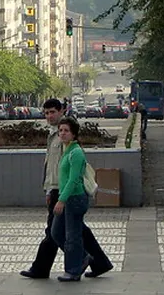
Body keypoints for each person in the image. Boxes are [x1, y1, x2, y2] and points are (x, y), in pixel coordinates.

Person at [21, 99, 113, 280]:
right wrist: (48, 188)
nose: (49, 116)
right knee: (74, 230)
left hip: (63, 191)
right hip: (56, 188)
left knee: (57, 231)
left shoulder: (66, 139)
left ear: (62, 111)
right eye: (46, 113)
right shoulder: (54, 135)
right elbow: (50, 165)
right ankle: (99, 262)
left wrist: (58, 194)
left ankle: (45, 267)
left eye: (53, 112)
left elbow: (67, 171)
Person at [51, 116, 92, 282]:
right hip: (67, 197)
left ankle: (73, 270)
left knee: (72, 236)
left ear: (74, 134)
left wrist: (61, 200)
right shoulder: (66, 150)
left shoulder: (76, 153)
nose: (62, 133)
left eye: (66, 131)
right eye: (60, 130)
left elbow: (73, 180)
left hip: (74, 198)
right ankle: (82, 258)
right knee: (56, 232)